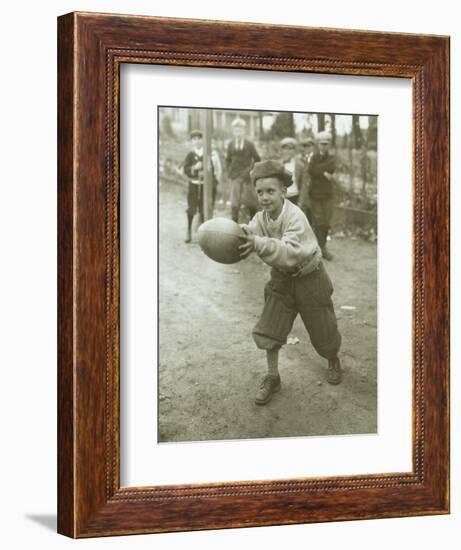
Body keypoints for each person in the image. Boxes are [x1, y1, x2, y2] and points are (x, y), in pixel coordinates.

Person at [239, 160, 342, 405]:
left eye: (271, 191)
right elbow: (249, 231)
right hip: (283, 278)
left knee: (323, 329)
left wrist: (258, 243)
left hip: (310, 276)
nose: (264, 197)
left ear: (284, 192)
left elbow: (289, 252)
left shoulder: (296, 216)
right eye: (260, 192)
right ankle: (273, 376)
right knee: (270, 326)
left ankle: (332, 358)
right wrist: (232, 234)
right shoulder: (262, 217)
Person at [183, 129, 217, 243]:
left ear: (202, 140)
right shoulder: (190, 155)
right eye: (194, 139)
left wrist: (206, 170)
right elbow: (185, 170)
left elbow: (211, 169)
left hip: (204, 187)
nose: (197, 141)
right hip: (193, 185)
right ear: (192, 141)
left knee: (204, 209)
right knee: (191, 209)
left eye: (199, 139)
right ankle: (188, 231)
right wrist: (194, 168)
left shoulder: (206, 154)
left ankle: (203, 235)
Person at [308, 131, 336, 261]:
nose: (323, 146)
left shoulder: (332, 158)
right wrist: (324, 173)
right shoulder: (313, 157)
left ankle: (322, 247)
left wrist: (319, 170)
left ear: (329, 145)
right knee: (318, 221)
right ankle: (319, 249)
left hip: (327, 194)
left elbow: (331, 167)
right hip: (315, 194)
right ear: (318, 145)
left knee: (326, 222)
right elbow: (310, 169)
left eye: (326, 144)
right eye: (321, 144)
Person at [226, 118, 261, 222]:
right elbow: (227, 159)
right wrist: (229, 171)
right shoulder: (231, 144)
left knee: (250, 203)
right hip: (235, 177)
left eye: (240, 130)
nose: (238, 132)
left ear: (244, 131)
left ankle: (253, 226)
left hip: (247, 177)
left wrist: (250, 171)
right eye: (236, 130)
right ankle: (234, 226)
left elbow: (257, 159)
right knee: (234, 204)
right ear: (233, 131)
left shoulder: (249, 144)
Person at [279, 137, 304, 207]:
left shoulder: (300, 165)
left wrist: (301, 201)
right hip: (282, 198)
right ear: (282, 151)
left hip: (295, 196)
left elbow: (303, 185)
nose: (287, 151)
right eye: (285, 149)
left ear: (294, 151)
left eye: (290, 149)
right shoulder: (278, 165)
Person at [298, 137, 315, 223]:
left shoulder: (315, 159)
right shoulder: (302, 160)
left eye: (309, 146)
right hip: (304, 191)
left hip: (314, 191)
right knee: (306, 216)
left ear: (313, 147)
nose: (306, 148)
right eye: (304, 146)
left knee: (314, 216)